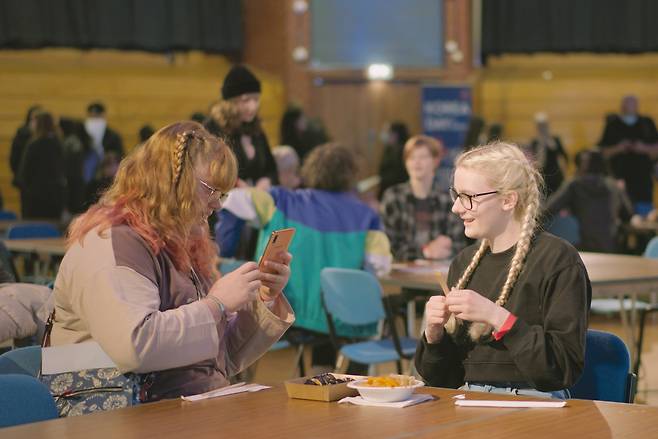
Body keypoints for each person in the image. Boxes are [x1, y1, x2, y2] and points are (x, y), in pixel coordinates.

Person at [50, 121, 294, 401]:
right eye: (209, 190)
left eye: (222, 194)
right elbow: (135, 346)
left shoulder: (179, 240)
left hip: (174, 407)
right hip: (113, 416)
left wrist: (264, 298)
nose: (217, 205)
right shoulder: (111, 242)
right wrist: (216, 305)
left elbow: (217, 356)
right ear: (166, 181)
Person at [415, 142, 590, 399]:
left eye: (469, 197)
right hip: (467, 401)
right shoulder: (464, 263)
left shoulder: (557, 260)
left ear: (508, 200)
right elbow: (441, 380)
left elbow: (561, 370)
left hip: (537, 403)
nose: (456, 208)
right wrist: (434, 334)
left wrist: (498, 318)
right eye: (456, 195)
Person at [216, 143, 391, 371]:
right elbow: (380, 266)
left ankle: (321, 374)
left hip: (287, 314)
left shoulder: (280, 200)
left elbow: (230, 200)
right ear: (350, 175)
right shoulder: (366, 216)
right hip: (343, 321)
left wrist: (224, 247)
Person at [381, 135, 466, 261]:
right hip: (400, 274)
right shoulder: (393, 197)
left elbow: (459, 245)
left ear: (436, 160)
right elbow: (388, 246)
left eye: (423, 157)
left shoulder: (448, 199)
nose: (416, 162)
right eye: (411, 157)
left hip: (439, 272)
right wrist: (426, 251)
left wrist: (443, 249)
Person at [205, 65, 278, 190]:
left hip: (253, 199)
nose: (253, 107)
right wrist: (236, 183)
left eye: (256, 99)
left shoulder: (256, 130)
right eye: (246, 100)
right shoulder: (213, 128)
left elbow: (271, 168)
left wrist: (267, 180)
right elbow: (209, 169)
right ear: (230, 102)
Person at [545, 150, 633, 253]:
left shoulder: (574, 184)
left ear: (580, 166)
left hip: (582, 249)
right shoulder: (613, 186)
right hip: (611, 248)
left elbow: (548, 209)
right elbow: (628, 214)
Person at [598, 95, 658, 211]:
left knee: (644, 216)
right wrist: (619, 148)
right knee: (621, 213)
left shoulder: (647, 122)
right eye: (627, 104)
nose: (630, 107)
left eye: (633, 104)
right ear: (622, 106)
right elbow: (603, 152)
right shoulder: (612, 124)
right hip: (619, 179)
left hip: (643, 181)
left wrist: (643, 148)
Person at [17, 111, 66, 220]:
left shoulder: (33, 144)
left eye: (34, 121)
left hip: (34, 198)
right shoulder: (59, 144)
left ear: (39, 124)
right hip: (55, 198)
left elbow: (24, 174)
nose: (31, 124)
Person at [83, 101, 125, 184]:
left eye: (96, 116)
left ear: (102, 115)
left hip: (107, 176)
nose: (94, 121)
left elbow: (120, 154)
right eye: (91, 117)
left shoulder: (113, 135)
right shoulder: (83, 135)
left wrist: (110, 157)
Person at [528, 112, 568, 198]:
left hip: (556, 175)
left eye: (544, 125)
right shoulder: (535, 142)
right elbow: (533, 160)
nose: (542, 128)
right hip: (542, 176)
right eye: (540, 126)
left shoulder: (555, 140)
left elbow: (564, 156)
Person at [9, 105, 42, 188]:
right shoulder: (22, 134)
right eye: (33, 119)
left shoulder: (47, 137)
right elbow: (14, 156)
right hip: (25, 178)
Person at [377, 121, 410, 199]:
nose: (384, 134)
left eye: (387, 132)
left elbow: (398, 175)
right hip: (386, 193)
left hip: (399, 194)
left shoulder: (403, 151)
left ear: (395, 135)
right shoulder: (388, 149)